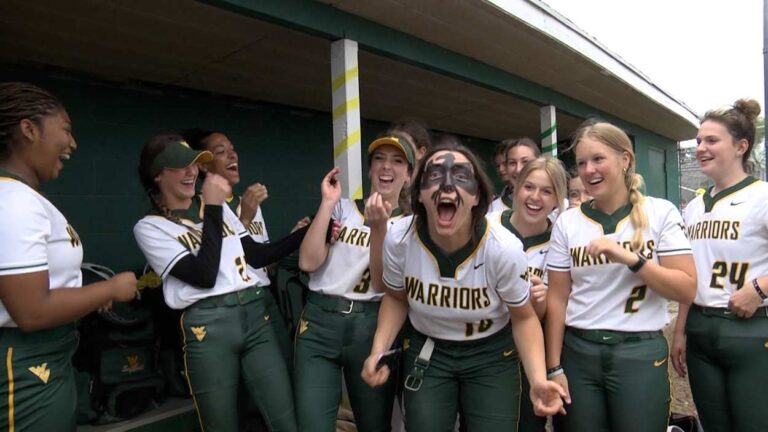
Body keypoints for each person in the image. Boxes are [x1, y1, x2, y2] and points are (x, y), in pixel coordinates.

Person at [361, 136, 565, 431]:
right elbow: (395, 297)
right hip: (429, 349)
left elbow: (523, 317)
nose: (447, 186)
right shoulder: (398, 236)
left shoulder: (502, 247)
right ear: (418, 193)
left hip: (491, 354)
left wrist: (536, 380)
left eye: (460, 177)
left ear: (477, 196)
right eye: (434, 176)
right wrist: (379, 350)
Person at [134, 134, 307, 431]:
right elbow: (204, 275)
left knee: (285, 418)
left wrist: (308, 231)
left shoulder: (217, 207)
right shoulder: (149, 226)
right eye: (180, 165)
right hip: (208, 325)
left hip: (255, 314)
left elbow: (255, 255)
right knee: (221, 424)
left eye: (193, 164)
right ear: (158, 174)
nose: (191, 172)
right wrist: (213, 207)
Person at [0, 82, 137, 431]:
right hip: (25, 364)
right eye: (66, 130)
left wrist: (85, 298)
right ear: (29, 129)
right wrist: (110, 289)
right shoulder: (13, 200)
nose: (73, 143)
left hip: (45, 356)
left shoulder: (24, 197)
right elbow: (31, 311)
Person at [544, 120, 696, 432]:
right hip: (579, 352)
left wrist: (631, 258)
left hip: (638, 351)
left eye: (598, 159)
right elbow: (557, 299)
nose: (588, 170)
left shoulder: (660, 212)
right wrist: (554, 366)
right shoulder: (568, 222)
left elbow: (686, 288)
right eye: (582, 162)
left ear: (625, 159)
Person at [295, 133, 415, 432]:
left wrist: (378, 229)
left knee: (374, 424)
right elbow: (307, 262)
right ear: (370, 168)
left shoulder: (412, 225)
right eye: (379, 159)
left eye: (397, 161)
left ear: (409, 174)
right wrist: (327, 203)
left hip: (370, 323)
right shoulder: (343, 208)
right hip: (319, 319)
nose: (387, 167)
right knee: (312, 423)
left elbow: (381, 283)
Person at [671, 98, 768, 432]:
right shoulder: (695, 207)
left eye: (712, 140)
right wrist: (680, 330)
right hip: (700, 328)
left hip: (750, 329)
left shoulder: (762, 195)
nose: (701, 148)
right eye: (698, 141)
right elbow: (690, 273)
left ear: (741, 146)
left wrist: (759, 288)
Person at [182, 128, 308, 364]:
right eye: (221, 152)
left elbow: (264, 261)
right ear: (204, 166)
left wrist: (293, 236)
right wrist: (245, 219)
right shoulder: (201, 207)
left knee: (284, 365)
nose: (232, 156)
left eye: (232, 149)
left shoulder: (248, 202)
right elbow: (214, 264)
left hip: (264, 298)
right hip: (231, 305)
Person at [494, 157, 567, 431]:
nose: (535, 197)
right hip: (485, 346)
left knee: (529, 423)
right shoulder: (489, 225)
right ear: (516, 188)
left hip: (532, 351)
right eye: (529, 187)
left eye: (547, 191)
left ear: (557, 199)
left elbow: (548, 311)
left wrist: (541, 301)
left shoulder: (561, 239)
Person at [488, 137, 541, 212]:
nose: (518, 169)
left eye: (525, 161)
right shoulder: (492, 210)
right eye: (512, 163)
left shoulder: (560, 209)